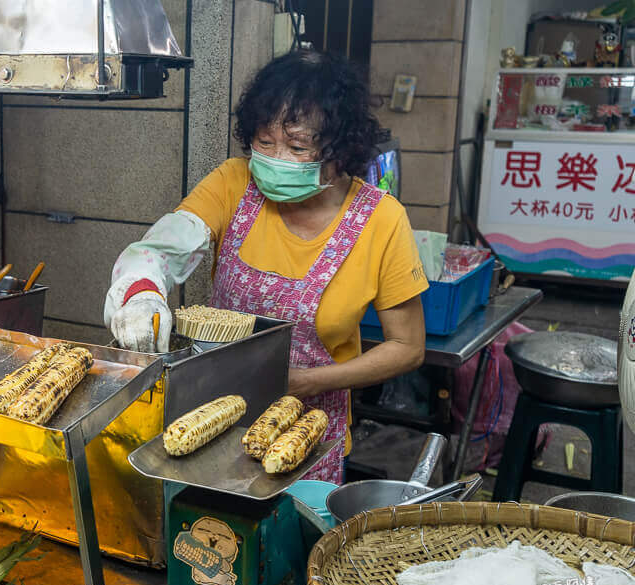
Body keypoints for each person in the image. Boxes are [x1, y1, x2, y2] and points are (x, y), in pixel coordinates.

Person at [103, 50, 428, 483]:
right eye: (265, 142)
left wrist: (309, 382)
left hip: (309, 431)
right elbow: (159, 249)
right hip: (214, 418)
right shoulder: (234, 182)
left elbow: (407, 347)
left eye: (296, 147)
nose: (276, 159)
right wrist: (141, 292)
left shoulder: (381, 220)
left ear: (341, 149)